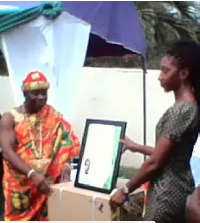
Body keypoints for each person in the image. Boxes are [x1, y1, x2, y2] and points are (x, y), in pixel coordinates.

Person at [109, 41, 200, 223]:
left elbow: (155, 162)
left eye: (166, 71)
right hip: (180, 187)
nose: (160, 77)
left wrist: (125, 189)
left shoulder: (181, 110)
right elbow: (171, 155)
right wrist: (137, 147)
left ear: (184, 73)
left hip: (165, 193)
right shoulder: (189, 107)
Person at [0, 71, 80, 221]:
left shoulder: (53, 116)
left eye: (44, 93)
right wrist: (32, 174)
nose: (41, 97)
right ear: (25, 93)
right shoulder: (10, 118)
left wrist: (66, 167)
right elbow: (7, 152)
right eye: (35, 93)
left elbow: (66, 143)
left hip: (46, 183)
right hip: (20, 185)